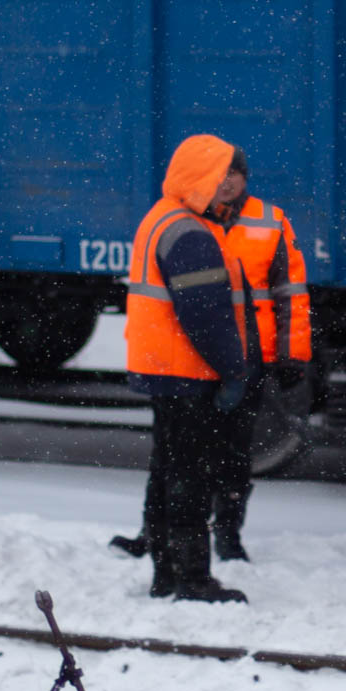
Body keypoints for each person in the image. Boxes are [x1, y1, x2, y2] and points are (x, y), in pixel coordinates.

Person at [111, 151, 311, 563]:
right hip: (203, 359)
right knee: (176, 455)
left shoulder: (268, 220)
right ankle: (157, 536)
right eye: (221, 174)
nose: (228, 182)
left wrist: (292, 355)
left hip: (246, 359)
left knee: (233, 453)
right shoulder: (195, 221)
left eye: (235, 173)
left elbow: (290, 290)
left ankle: (227, 536)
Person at [118, 133, 258, 603]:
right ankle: (191, 578)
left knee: (167, 470)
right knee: (190, 478)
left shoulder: (164, 218)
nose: (227, 187)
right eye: (219, 177)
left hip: (165, 368)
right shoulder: (192, 233)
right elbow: (206, 314)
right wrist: (233, 370)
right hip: (188, 372)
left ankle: (167, 573)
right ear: (200, 177)